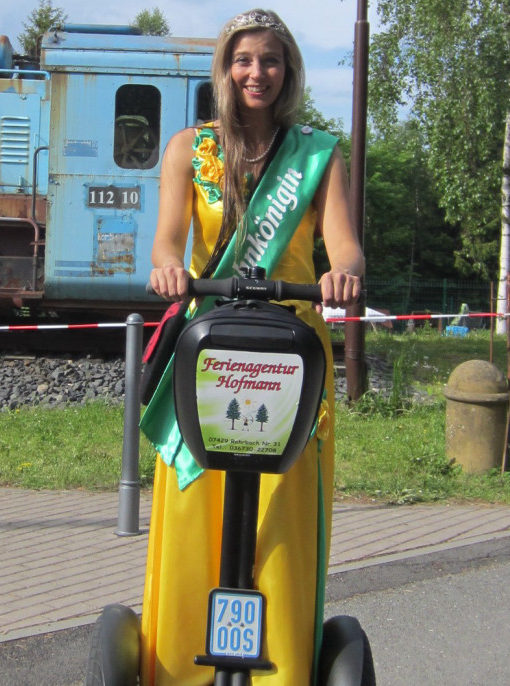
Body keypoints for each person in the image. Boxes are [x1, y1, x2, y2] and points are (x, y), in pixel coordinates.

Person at [139, 8, 364, 685]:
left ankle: (280, 671)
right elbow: (165, 239)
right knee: (194, 501)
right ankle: (178, 666)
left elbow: (343, 240)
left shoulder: (317, 154)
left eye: (269, 60)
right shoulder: (188, 149)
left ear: (287, 70)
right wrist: (168, 268)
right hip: (210, 349)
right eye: (243, 60)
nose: (256, 72)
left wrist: (344, 269)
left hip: (289, 353)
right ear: (226, 69)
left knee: (282, 511)